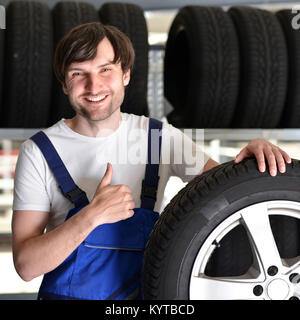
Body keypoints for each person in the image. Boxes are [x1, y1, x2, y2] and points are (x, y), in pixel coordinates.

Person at [11, 22, 291, 300]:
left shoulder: (160, 138)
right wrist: (91, 216)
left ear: (126, 75)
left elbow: (228, 196)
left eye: (105, 70)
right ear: (64, 84)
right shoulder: (38, 152)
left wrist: (253, 155)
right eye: (78, 73)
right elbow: (26, 266)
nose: (93, 85)